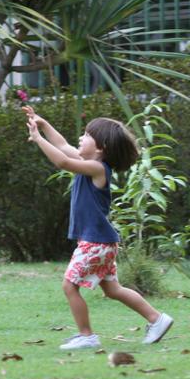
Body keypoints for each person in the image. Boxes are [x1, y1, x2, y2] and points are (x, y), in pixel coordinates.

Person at [23, 106, 174, 350]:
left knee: (69, 285)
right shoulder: (88, 162)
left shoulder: (98, 169)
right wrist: (44, 124)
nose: (80, 138)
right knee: (113, 289)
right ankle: (157, 319)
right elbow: (62, 147)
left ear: (100, 147)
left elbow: (62, 161)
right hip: (100, 241)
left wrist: (38, 138)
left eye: (86, 135)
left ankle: (86, 335)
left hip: (95, 243)